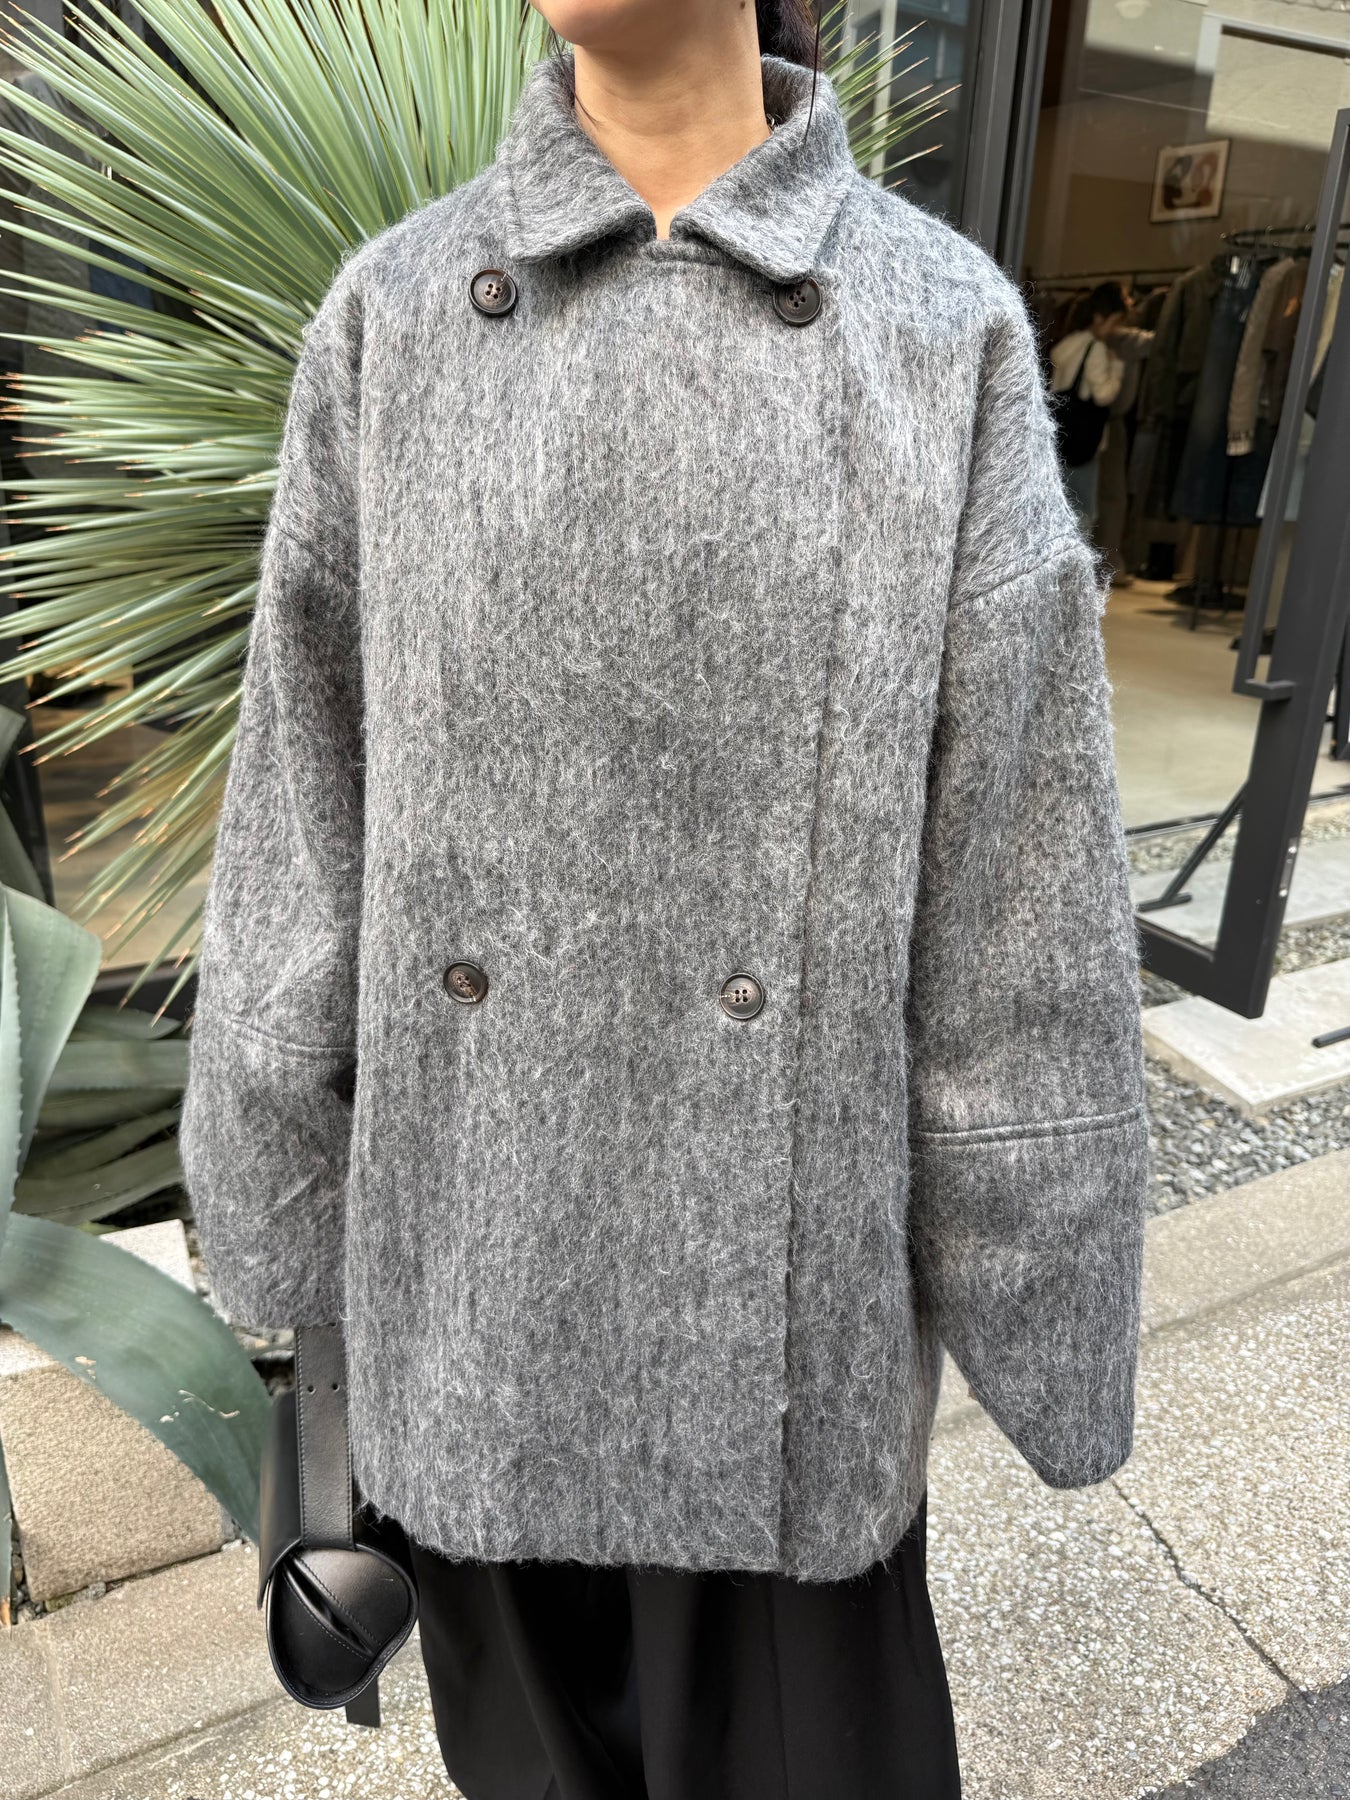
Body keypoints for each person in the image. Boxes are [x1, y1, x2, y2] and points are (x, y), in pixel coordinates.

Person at [178, 3, 1151, 1796]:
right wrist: (279, 1208)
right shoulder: (397, 313)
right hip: (472, 1290)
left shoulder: (934, 326)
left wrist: (1045, 1272)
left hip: (780, 1340)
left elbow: (1013, 885)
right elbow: (304, 812)